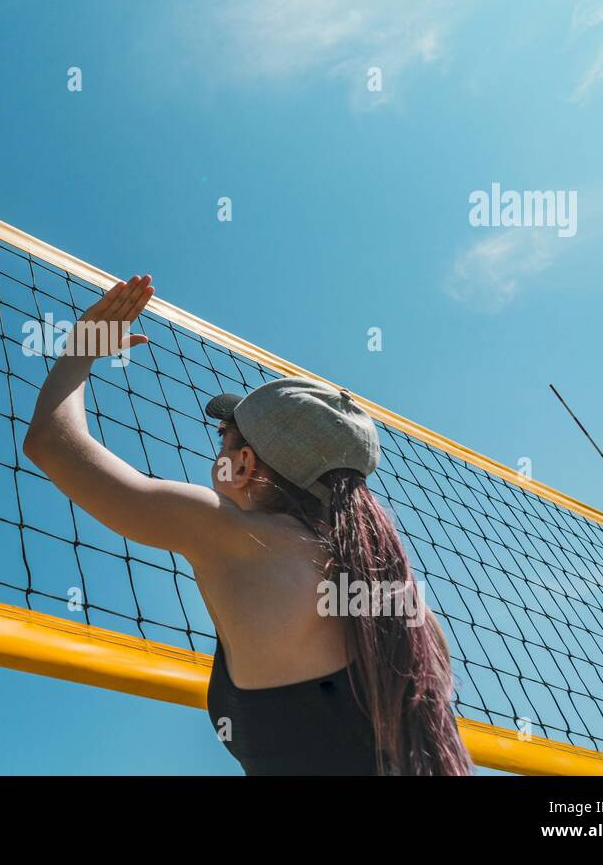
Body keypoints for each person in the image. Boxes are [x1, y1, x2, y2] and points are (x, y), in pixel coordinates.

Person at [23, 275, 472, 775]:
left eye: (222, 439)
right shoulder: (409, 610)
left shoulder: (234, 536)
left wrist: (81, 349)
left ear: (243, 466)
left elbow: (52, 444)